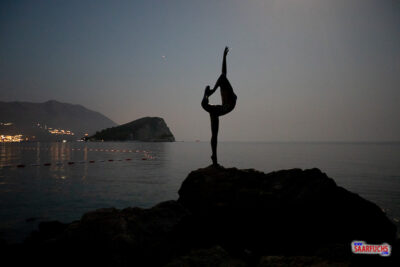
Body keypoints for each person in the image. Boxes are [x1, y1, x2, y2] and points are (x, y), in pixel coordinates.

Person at [201, 46, 237, 166]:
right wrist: (207, 95)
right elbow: (223, 74)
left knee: (222, 77)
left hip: (228, 105)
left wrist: (224, 57)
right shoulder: (224, 88)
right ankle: (214, 157)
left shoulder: (226, 88)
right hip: (221, 108)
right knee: (214, 134)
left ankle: (208, 93)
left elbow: (223, 74)